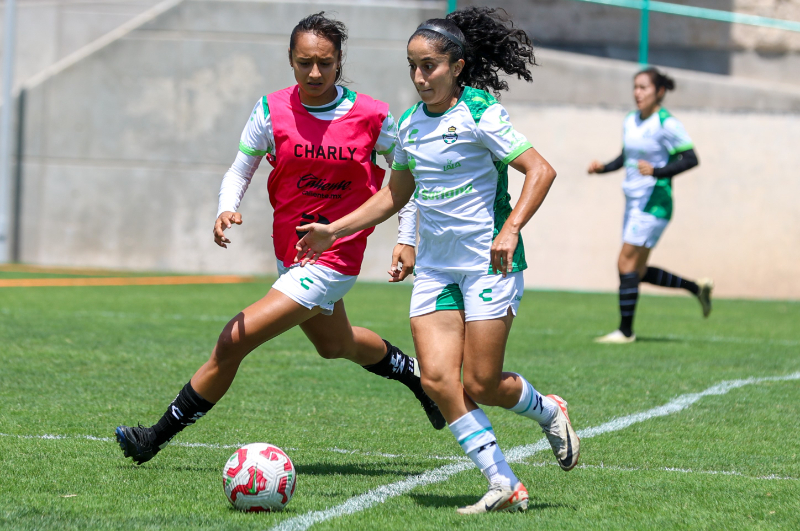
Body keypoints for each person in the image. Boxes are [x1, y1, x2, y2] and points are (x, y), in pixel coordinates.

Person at [115, 12, 445, 465]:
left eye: (325, 63)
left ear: (339, 62)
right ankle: (419, 378)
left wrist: (406, 238)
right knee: (337, 345)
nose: (314, 73)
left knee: (233, 340)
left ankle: (152, 438)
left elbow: (404, 181)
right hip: (289, 255)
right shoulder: (271, 109)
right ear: (290, 60)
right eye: (304, 62)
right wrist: (225, 208)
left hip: (334, 258)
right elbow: (240, 167)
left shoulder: (373, 116)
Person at [295, 7, 579, 515]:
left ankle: (547, 408)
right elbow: (393, 196)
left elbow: (541, 171)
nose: (420, 77)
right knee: (436, 380)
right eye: (413, 66)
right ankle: (503, 482)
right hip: (436, 269)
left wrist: (511, 228)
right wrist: (332, 231)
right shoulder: (407, 126)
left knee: (482, 384)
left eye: (430, 66)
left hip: (489, 266)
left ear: (457, 66)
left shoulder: (480, 112)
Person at [588, 67, 713, 344]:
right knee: (636, 271)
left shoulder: (667, 123)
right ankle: (696, 287)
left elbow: (691, 158)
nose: (637, 93)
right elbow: (626, 157)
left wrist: (657, 171)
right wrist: (603, 168)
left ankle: (625, 331)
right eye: (635, 87)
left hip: (655, 202)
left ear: (660, 92)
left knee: (624, 262)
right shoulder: (630, 120)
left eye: (644, 87)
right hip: (633, 201)